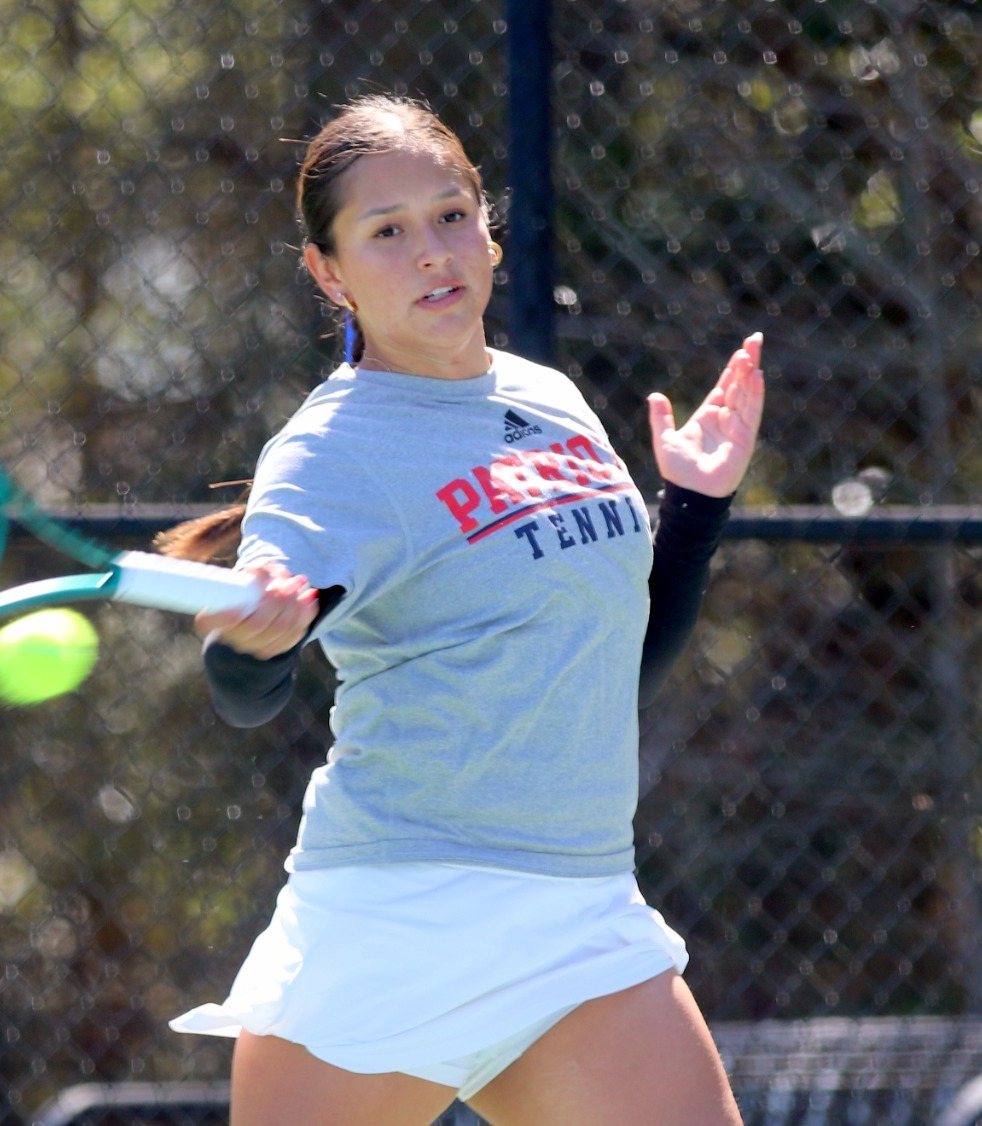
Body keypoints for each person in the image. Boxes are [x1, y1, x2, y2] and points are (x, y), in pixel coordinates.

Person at [157, 94, 762, 1126]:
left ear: (486, 227)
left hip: (579, 919)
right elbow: (244, 689)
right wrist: (252, 649)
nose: (430, 251)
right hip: (398, 917)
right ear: (327, 270)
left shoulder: (549, 399)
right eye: (384, 232)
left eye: (448, 214)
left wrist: (695, 507)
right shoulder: (327, 453)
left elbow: (615, 669)